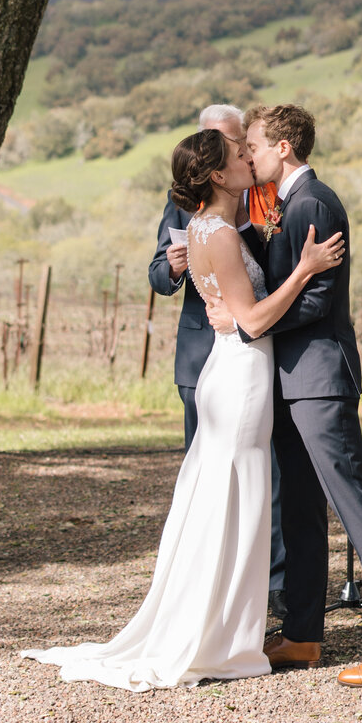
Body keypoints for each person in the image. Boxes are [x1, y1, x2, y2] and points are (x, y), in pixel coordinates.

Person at [20, 127, 344, 692]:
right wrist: (305, 267)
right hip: (240, 377)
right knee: (234, 496)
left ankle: (226, 627)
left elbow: (238, 314)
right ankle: (218, 635)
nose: (249, 157)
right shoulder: (215, 233)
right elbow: (252, 320)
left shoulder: (209, 226)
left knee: (232, 495)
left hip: (235, 370)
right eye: (239, 156)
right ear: (217, 175)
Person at [209, 104, 362, 688]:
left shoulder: (312, 202)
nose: (248, 154)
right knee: (300, 510)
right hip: (290, 379)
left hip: (319, 378)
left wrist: (248, 322)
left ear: (283, 146)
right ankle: (304, 634)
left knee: (352, 501)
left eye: (253, 144)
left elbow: (315, 302)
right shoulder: (287, 205)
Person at [148, 103, 287, 617]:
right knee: (210, 482)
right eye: (233, 151)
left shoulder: (261, 196)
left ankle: (266, 590)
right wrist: (174, 266)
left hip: (248, 351)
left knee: (259, 480)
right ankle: (216, 601)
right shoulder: (197, 215)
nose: (243, 157)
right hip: (209, 358)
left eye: (236, 144)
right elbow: (157, 275)